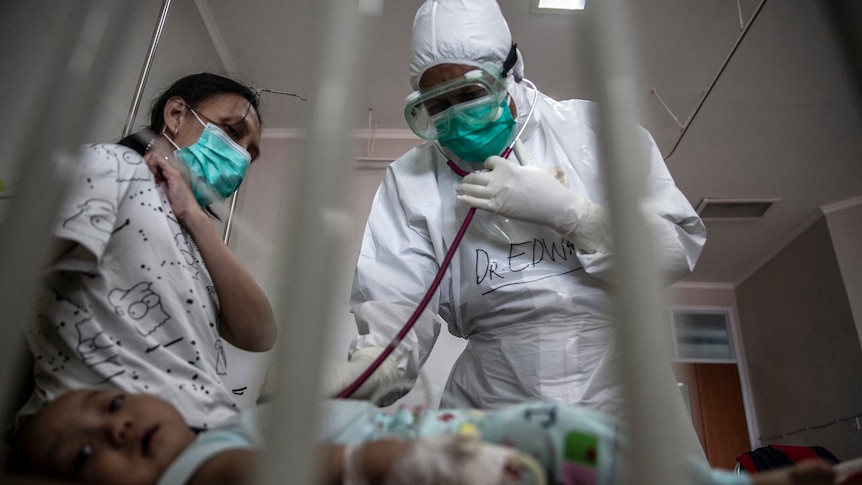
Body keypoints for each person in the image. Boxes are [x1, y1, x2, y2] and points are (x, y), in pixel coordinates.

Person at [336, 0, 704, 428]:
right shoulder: (412, 179)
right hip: (492, 397)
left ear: (511, 73)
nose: (456, 117)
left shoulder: (595, 132)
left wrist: (576, 215)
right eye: (437, 106)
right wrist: (374, 364)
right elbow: (396, 302)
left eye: (471, 94)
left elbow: (675, 250)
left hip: (624, 394)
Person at [15, 72, 277, 434]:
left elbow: (259, 333)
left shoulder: (196, 244)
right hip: (110, 437)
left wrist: (195, 217)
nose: (241, 158)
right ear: (176, 115)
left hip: (203, 437)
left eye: (250, 152)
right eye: (232, 132)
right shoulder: (114, 165)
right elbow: (18, 263)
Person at [3, 388, 843, 485]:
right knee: (601, 450)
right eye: (86, 453)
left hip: (489, 430)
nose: (116, 423)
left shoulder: (214, 430)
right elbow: (316, 464)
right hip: (475, 444)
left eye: (109, 398)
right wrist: (428, 458)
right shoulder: (204, 469)